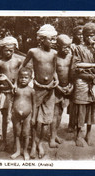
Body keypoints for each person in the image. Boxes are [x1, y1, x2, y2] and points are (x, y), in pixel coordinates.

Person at [22, 24, 59, 158]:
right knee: (34, 119)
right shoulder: (33, 52)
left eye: (55, 39)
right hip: (37, 90)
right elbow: (24, 66)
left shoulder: (54, 53)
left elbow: (54, 70)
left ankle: (39, 144)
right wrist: (32, 79)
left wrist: (56, 80)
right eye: (51, 39)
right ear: (42, 39)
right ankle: (32, 145)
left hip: (50, 90)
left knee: (46, 120)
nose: (54, 42)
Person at [71, 22, 95, 147]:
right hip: (81, 81)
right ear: (83, 36)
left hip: (94, 82)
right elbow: (76, 66)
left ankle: (88, 134)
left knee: (92, 107)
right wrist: (92, 66)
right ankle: (78, 135)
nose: (90, 38)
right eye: (87, 35)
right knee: (81, 108)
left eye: (92, 35)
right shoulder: (78, 49)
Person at [0, 36, 23, 151]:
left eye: (11, 50)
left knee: (17, 117)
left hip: (15, 91)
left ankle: (17, 143)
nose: (8, 52)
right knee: (5, 118)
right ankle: (4, 140)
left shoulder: (18, 61)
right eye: (6, 50)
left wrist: (16, 84)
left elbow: (21, 74)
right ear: (2, 50)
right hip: (4, 92)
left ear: (14, 50)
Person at [50, 34, 74, 148]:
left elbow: (72, 72)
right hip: (56, 88)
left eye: (69, 47)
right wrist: (58, 86)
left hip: (66, 88)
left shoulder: (70, 56)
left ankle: (55, 135)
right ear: (58, 46)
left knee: (60, 113)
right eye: (64, 47)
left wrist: (71, 86)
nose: (67, 49)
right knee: (55, 113)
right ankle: (51, 138)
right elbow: (52, 73)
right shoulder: (54, 57)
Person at [10, 67, 36, 160]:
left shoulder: (31, 90)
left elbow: (34, 104)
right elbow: (12, 101)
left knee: (26, 133)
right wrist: (10, 113)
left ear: (30, 79)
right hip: (16, 115)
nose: (23, 79)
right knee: (17, 133)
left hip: (27, 116)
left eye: (26, 77)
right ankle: (17, 151)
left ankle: (25, 151)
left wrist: (33, 117)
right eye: (21, 77)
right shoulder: (16, 89)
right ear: (18, 78)